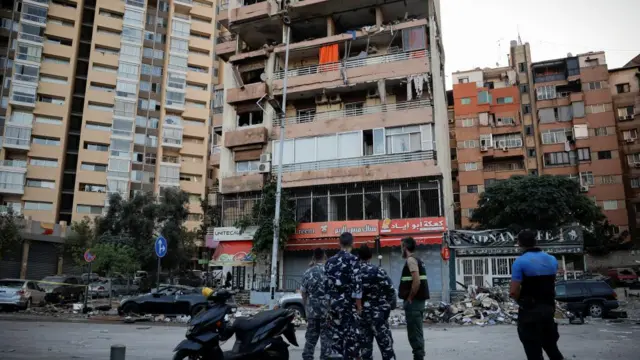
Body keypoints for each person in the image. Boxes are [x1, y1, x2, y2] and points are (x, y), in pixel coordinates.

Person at [510, 229, 565, 360]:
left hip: (529, 311)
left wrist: (519, 301)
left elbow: (513, 291)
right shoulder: (552, 259)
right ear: (536, 241)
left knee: (533, 351)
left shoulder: (520, 262)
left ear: (519, 243)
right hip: (548, 309)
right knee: (551, 347)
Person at [324, 232, 363, 360]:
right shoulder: (354, 260)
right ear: (352, 243)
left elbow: (327, 287)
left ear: (339, 243)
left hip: (335, 307)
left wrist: (329, 307)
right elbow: (357, 286)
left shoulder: (329, 262)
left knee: (336, 340)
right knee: (351, 341)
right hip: (349, 306)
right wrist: (359, 307)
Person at [358, 245, 396, 360]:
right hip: (379, 316)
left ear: (359, 257)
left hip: (362, 316)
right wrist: (388, 306)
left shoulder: (354, 273)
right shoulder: (378, 271)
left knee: (365, 351)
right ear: (370, 256)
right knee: (387, 349)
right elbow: (391, 290)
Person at [398, 237, 429, 360]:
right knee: (417, 332)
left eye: (401, 246)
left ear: (405, 247)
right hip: (417, 303)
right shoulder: (417, 259)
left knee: (414, 335)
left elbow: (416, 281)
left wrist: (410, 297)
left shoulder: (411, 260)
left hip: (414, 303)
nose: (401, 249)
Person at [300, 248, 330, 360]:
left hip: (312, 311)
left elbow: (303, 293)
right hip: (327, 311)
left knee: (311, 339)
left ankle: (308, 357)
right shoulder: (329, 271)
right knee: (326, 339)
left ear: (314, 257)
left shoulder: (307, 272)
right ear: (324, 256)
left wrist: (306, 307)